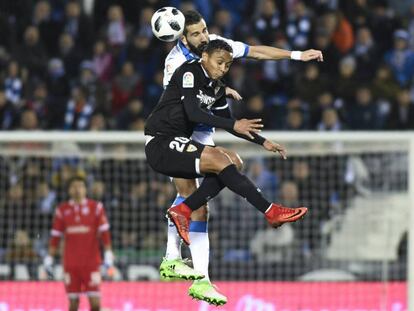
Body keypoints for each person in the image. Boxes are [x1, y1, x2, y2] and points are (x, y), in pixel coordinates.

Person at [159, 10, 322, 305]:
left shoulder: (215, 46)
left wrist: (297, 55)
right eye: (196, 34)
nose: (204, 37)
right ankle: (172, 256)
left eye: (205, 30)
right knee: (189, 192)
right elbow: (187, 108)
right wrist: (219, 93)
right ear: (182, 37)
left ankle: (201, 281)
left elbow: (256, 52)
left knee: (203, 205)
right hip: (181, 132)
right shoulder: (176, 64)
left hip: (205, 130)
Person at [43, 176, 114, 311]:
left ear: (85, 189)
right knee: (73, 304)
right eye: (74, 186)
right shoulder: (62, 210)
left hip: (91, 263)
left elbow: (105, 233)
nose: (77, 190)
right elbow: (55, 237)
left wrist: (109, 254)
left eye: (80, 186)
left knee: (95, 304)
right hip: (71, 264)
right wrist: (49, 258)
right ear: (69, 190)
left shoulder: (96, 207)